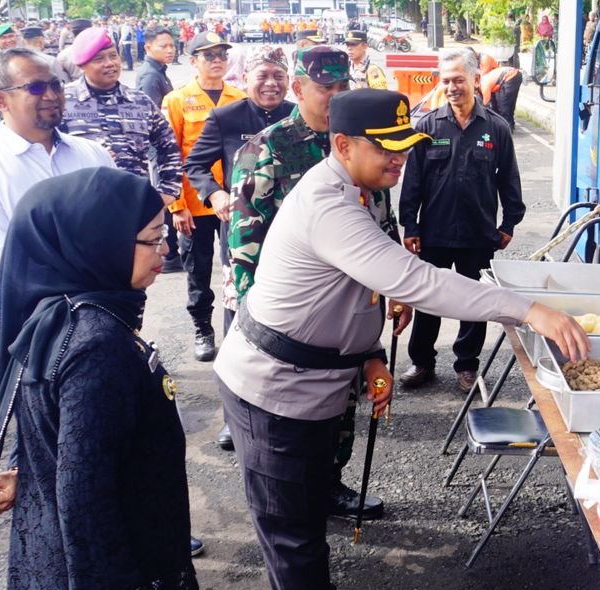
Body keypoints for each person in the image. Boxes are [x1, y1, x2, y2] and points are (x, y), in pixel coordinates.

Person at [213, 87, 587, 590]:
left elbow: (351, 291)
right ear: (342, 145)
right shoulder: (328, 204)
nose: (400, 159)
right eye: (386, 148)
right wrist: (527, 310)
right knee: (292, 523)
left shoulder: (359, 189)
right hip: (273, 386)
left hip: (316, 377)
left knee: (304, 507)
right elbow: (416, 281)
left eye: (405, 147)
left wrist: (369, 355)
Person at [0, 168, 198, 590]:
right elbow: (85, 490)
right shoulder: (98, 345)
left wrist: (28, 471)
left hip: (76, 573)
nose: (165, 249)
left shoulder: (60, 315)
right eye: (152, 239)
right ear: (99, 243)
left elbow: (62, 435)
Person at [224, 45, 406, 506]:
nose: (336, 96)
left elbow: (381, 222)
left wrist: (396, 289)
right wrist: (261, 325)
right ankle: (291, 499)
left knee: (345, 402)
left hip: (351, 312)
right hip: (295, 315)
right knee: (289, 423)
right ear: (298, 88)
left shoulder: (363, 140)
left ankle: (329, 484)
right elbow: (244, 248)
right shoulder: (267, 148)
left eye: (344, 86)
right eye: (326, 87)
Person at [398, 48, 525, 394]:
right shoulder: (427, 126)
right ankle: (422, 362)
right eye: (446, 81)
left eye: (458, 80)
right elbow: (413, 182)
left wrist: (509, 224)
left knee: (475, 303)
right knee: (428, 300)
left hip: (478, 234)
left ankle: (467, 365)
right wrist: (410, 225)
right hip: (434, 233)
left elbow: (508, 180)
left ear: (475, 79)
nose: (452, 87)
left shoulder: (496, 128)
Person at [183, 45, 292, 449]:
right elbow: (195, 165)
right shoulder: (226, 117)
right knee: (239, 328)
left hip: (293, 241)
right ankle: (236, 415)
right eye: (262, 75)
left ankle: (287, 404)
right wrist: (213, 194)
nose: (271, 83)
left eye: (278, 76)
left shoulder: (299, 116)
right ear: (245, 79)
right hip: (243, 243)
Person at [0, 48, 115, 286]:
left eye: (56, 85)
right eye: (35, 88)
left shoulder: (93, 153)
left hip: (106, 300)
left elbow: (118, 228)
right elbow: (1, 258)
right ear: (0, 100)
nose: (51, 96)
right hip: (33, 306)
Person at [163, 32, 245, 361]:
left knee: (236, 269)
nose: (217, 61)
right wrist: (176, 206)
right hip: (194, 205)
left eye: (222, 54)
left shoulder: (239, 97)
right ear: (193, 60)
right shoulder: (178, 100)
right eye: (208, 55)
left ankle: (239, 330)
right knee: (198, 272)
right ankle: (203, 329)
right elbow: (168, 155)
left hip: (234, 204)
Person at [61, 26, 185, 216]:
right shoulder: (63, 102)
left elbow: (168, 146)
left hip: (134, 209)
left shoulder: (139, 101)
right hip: (82, 211)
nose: (109, 63)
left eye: (113, 56)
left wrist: (169, 190)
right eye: (99, 59)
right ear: (81, 65)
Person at [135, 23, 175, 109]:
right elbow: (151, 111)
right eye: (163, 46)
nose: (170, 50)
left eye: (172, 46)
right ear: (148, 48)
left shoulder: (158, 69)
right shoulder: (150, 75)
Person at [478, 52, 523, 130]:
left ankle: (507, 129)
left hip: (511, 76)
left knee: (504, 104)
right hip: (510, 75)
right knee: (506, 104)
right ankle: (509, 125)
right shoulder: (484, 81)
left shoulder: (484, 85)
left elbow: (485, 102)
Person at [344, 24, 389, 90]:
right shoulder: (347, 67)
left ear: (364, 46)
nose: (349, 48)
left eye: (353, 44)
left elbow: (381, 94)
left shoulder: (372, 69)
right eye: (348, 45)